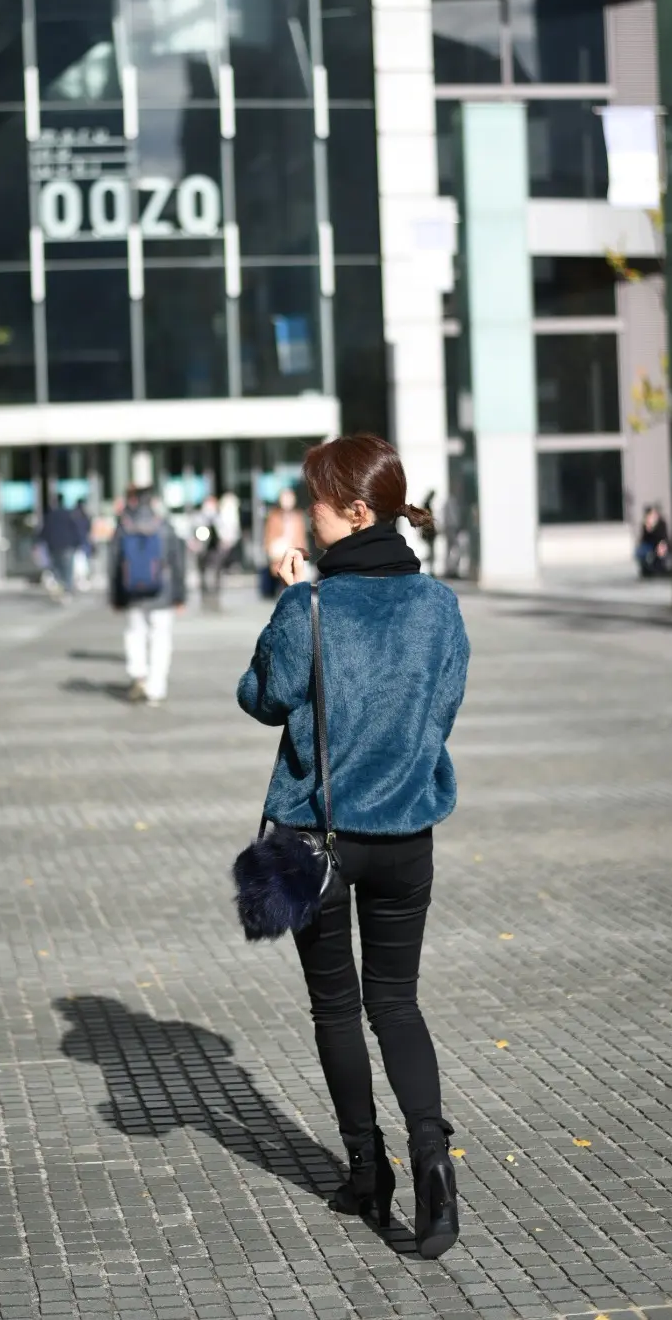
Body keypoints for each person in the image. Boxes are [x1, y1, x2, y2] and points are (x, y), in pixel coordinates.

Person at [237, 434, 469, 1260]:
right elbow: (442, 708)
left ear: (357, 512)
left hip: (317, 844)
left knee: (336, 1008)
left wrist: (290, 603)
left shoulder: (312, 606)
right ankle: (434, 1167)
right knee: (396, 1004)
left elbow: (262, 697)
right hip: (407, 837)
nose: (310, 516)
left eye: (319, 504)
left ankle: (367, 1172)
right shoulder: (439, 605)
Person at [109, 487, 186, 705]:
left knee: (135, 633)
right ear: (153, 501)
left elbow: (114, 563)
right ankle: (156, 688)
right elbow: (177, 562)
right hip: (162, 593)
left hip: (133, 593)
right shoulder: (164, 526)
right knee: (161, 638)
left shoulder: (123, 526)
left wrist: (116, 597)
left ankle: (138, 674)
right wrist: (180, 596)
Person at [261, 487, 308, 600]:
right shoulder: (274, 516)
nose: (288, 500)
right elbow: (269, 535)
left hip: (295, 551)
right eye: (285, 498)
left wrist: (304, 552)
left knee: (294, 581)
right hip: (279, 554)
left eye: (290, 498)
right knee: (281, 578)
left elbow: (301, 536)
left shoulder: (298, 516)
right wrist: (269, 550)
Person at [41, 493, 83, 596]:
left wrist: (40, 541)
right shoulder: (69, 514)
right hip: (68, 545)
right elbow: (76, 530)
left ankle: (61, 587)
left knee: (57, 568)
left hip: (54, 546)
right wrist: (78, 543)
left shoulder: (51, 515)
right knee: (68, 569)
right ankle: (67, 589)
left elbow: (45, 530)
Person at [192, 495, 223, 608]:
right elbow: (192, 533)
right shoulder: (198, 518)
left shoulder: (219, 518)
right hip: (202, 550)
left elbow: (226, 532)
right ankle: (205, 599)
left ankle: (215, 599)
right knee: (203, 575)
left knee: (216, 575)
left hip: (215, 550)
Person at [636, 504, 671, 578]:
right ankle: (648, 569)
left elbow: (661, 535)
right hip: (650, 544)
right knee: (642, 553)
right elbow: (645, 536)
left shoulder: (661, 522)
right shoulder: (647, 523)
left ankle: (658, 568)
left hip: (659, 543)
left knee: (659, 552)